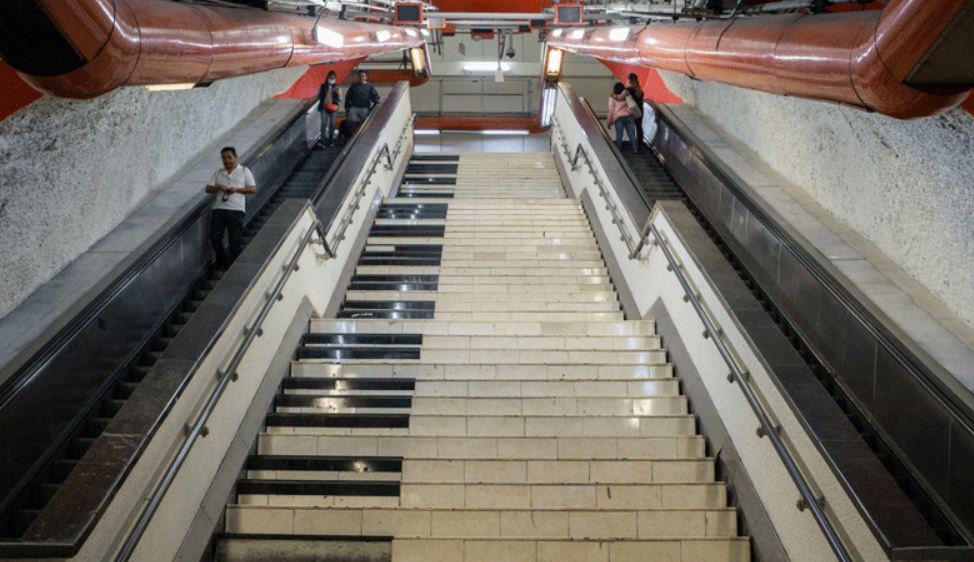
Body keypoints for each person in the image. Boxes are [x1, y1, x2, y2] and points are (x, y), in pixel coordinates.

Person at [204, 147, 256, 269]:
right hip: (219, 209)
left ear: (236, 157)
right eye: (224, 158)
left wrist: (236, 190)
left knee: (235, 240)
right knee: (214, 236)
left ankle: (233, 266)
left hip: (236, 210)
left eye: (229, 157)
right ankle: (221, 259)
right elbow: (208, 188)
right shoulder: (218, 172)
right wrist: (219, 187)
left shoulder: (244, 171)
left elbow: (253, 189)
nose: (227, 160)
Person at [607, 82, 637, 154]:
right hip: (629, 117)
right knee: (631, 134)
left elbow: (611, 111)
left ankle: (618, 151)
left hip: (619, 118)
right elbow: (632, 105)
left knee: (619, 135)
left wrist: (609, 122)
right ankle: (635, 149)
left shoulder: (612, 98)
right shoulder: (627, 96)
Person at [316, 70, 342, 148]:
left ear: (335, 78)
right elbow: (318, 96)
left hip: (333, 108)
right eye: (330, 77)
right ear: (327, 77)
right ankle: (322, 141)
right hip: (324, 107)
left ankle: (330, 142)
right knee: (323, 124)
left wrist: (337, 92)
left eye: (333, 77)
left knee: (332, 125)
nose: (331, 79)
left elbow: (340, 99)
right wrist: (308, 102)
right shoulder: (323, 86)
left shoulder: (337, 86)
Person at [626, 73, 646, 148]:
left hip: (631, 111)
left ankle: (633, 142)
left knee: (631, 127)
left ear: (629, 80)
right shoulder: (640, 90)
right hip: (639, 111)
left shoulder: (629, 90)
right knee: (638, 126)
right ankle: (640, 143)